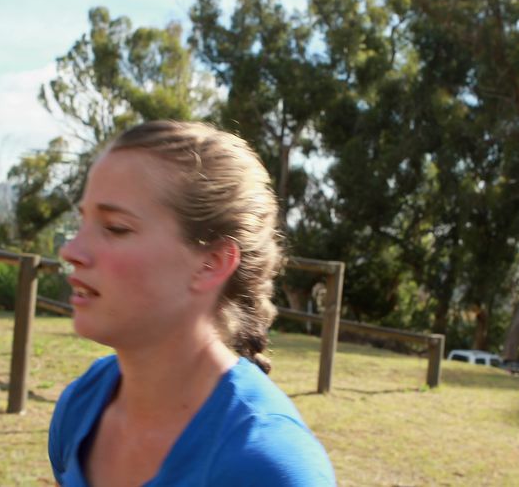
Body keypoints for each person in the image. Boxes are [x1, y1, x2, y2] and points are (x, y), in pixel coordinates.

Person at [49, 120, 336, 486]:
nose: (71, 250)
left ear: (211, 263)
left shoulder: (268, 466)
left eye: (116, 228)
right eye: (84, 221)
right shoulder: (80, 407)